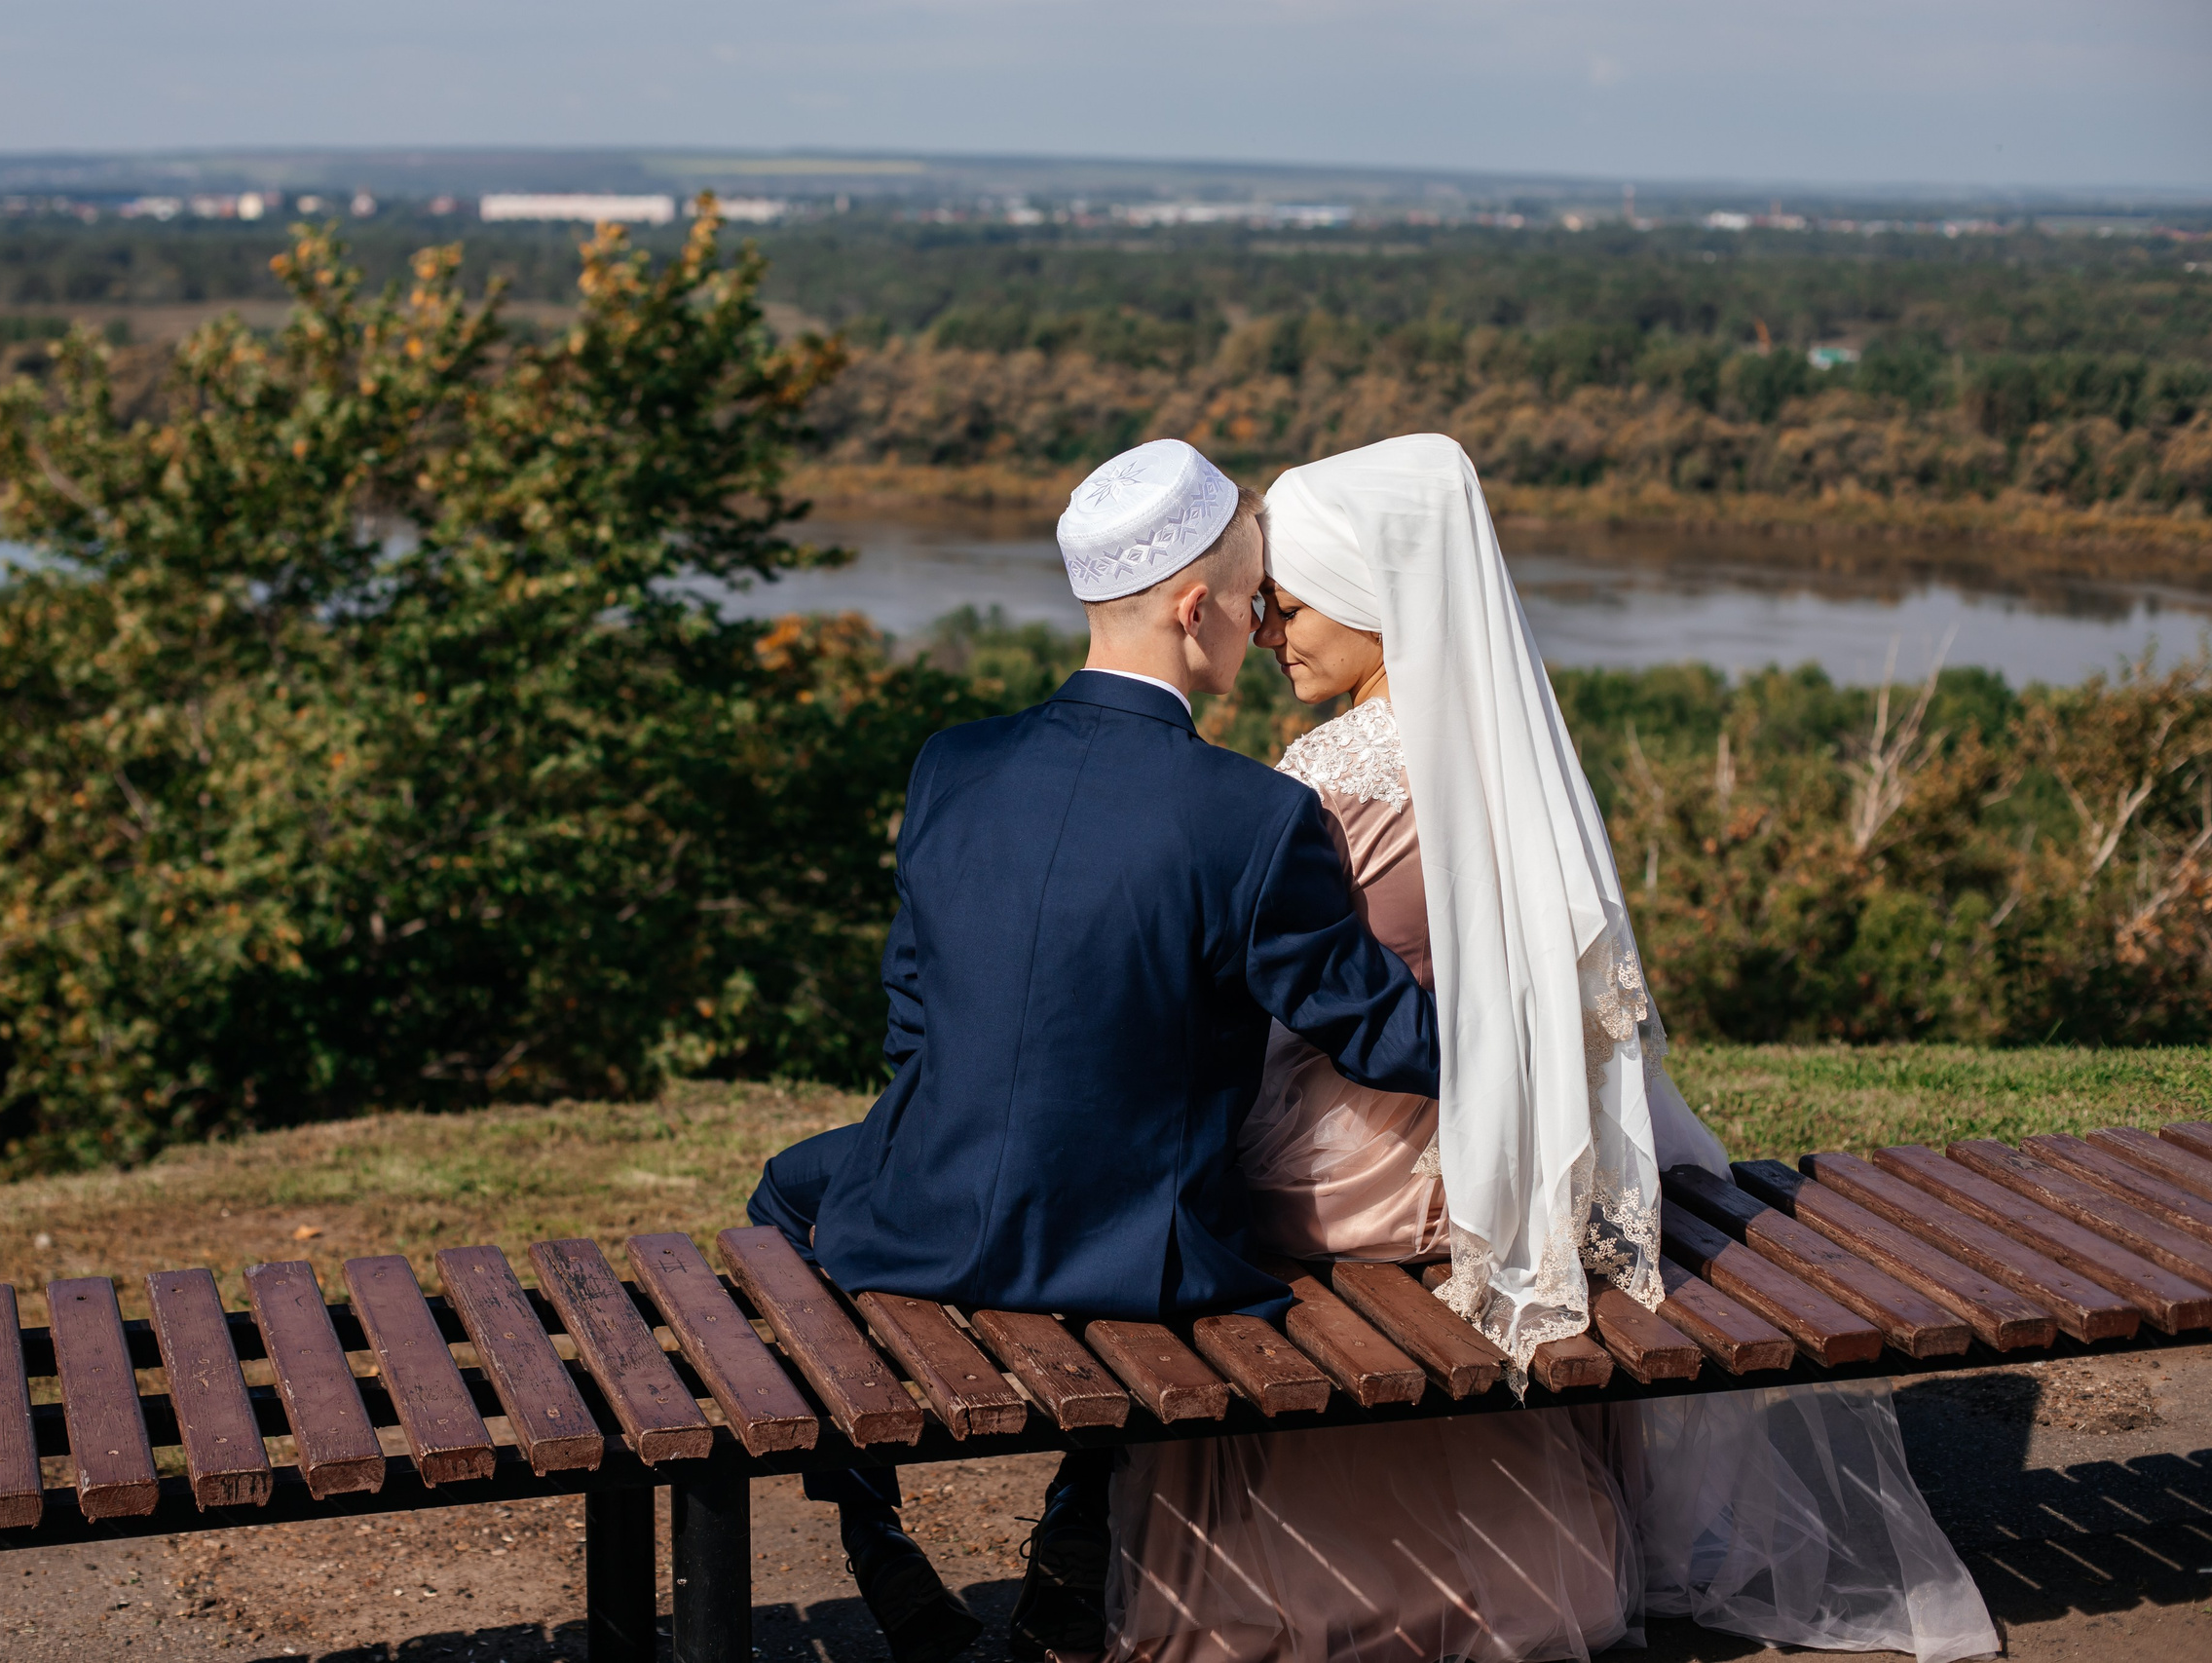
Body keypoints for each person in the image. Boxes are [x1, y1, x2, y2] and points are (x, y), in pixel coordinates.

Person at [1103, 433, 1999, 1663]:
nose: (1269, 632)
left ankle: (1317, 1585)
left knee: (1205, 1198)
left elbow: (1289, 998)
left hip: (1359, 1160)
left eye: (1293, 605)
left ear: (1376, 601)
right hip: (1507, 1141)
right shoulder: (1503, 745)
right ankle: (1510, 1570)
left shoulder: (1330, 773)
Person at [746, 438, 1442, 1663]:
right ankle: (1071, 1536)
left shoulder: (950, 765)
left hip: (923, 1205)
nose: (1259, 624)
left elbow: (909, 1013)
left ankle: (874, 1542)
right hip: (1137, 1245)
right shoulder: (1252, 813)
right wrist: (1554, 1044)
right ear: (1190, 608)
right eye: (1246, 600)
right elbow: (1374, 1031)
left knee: (785, 1191)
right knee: (1180, 1207)